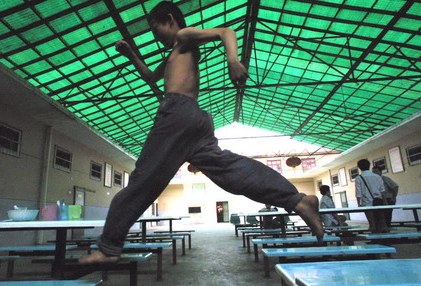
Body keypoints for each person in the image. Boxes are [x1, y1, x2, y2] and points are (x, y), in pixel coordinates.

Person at [79, 1, 323, 264]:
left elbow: (226, 31)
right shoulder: (174, 52)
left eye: (155, 28)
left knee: (143, 179)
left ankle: (108, 247)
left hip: (177, 114)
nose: (154, 35)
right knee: (229, 170)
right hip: (195, 120)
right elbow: (151, 77)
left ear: (170, 19)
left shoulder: (183, 37)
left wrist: (232, 60)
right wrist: (131, 55)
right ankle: (298, 200)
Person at [355, 159, 388, 233]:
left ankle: (374, 238)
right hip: (378, 201)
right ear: (369, 166)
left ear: (359, 167)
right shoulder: (377, 177)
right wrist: (385, 201)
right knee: (382, 221)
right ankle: (384, 239)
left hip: (367, 202)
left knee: (372, 223)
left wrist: (359, 204)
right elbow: (382, 190)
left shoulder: (359, 178)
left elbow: (358, 193)